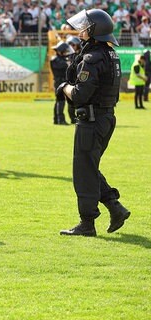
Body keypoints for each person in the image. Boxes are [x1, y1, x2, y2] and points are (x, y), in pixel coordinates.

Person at [58, 9, 130, 237]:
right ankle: (115, 207)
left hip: (91, 119)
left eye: (84, 28)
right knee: (89, 168)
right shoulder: (110, 54)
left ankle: (87, 223)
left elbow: (79, 94)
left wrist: (64, 88)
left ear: (94, 30)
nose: (80, 32)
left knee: (83, 172)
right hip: (105, 118)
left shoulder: (92, 58)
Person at [50, 41, 74, 125]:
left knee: (59, 101)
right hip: (59, 82)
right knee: (61, 101)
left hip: (60, 82)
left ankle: (57, 119)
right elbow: (65, 65)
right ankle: (60, 120)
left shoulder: (59, 59)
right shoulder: (56, 60)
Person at [65, 35, 81, 123]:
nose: (72, 47)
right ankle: (72, 119)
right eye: (70, 45)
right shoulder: (70, 56)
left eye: (73, 45)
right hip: (71, 81)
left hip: (79, 81)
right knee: (70, 102)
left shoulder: (83, 55)